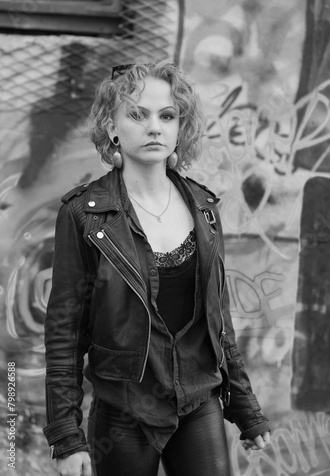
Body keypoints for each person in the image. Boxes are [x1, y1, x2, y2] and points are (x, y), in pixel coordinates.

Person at [43, 61, 271, 476]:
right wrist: (65, 436)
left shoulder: (205, 209)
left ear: (179, 128)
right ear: (112, 127)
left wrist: (246, 410)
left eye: (167, 116)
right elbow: (64, 333)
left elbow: (219, 324)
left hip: (198, 400)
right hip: (124, 410)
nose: (154, 127)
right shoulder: (84, 215)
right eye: (137, 114)